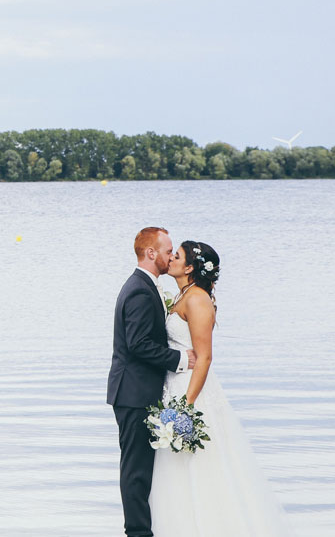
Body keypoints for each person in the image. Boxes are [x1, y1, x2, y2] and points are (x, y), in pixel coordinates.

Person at [149, 241, 295, 536]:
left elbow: (205, 357)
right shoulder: (183, 294)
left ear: (189, 268)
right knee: (175, 470)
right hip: (173, 386)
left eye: (176, 256)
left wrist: (186, 406)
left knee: (203, 467)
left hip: (191, 392)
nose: (170, 259)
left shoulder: (198, 299)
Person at [108, 227, 193, 537]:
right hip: (133, 394)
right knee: (135, 471)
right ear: (151, 253)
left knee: (141, 470)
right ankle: (138, 533)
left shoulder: (146, 286)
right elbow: (138, 344)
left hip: (137, 392)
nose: (171, 255)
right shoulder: (140, 290)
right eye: (168, 249)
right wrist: (181, 359)